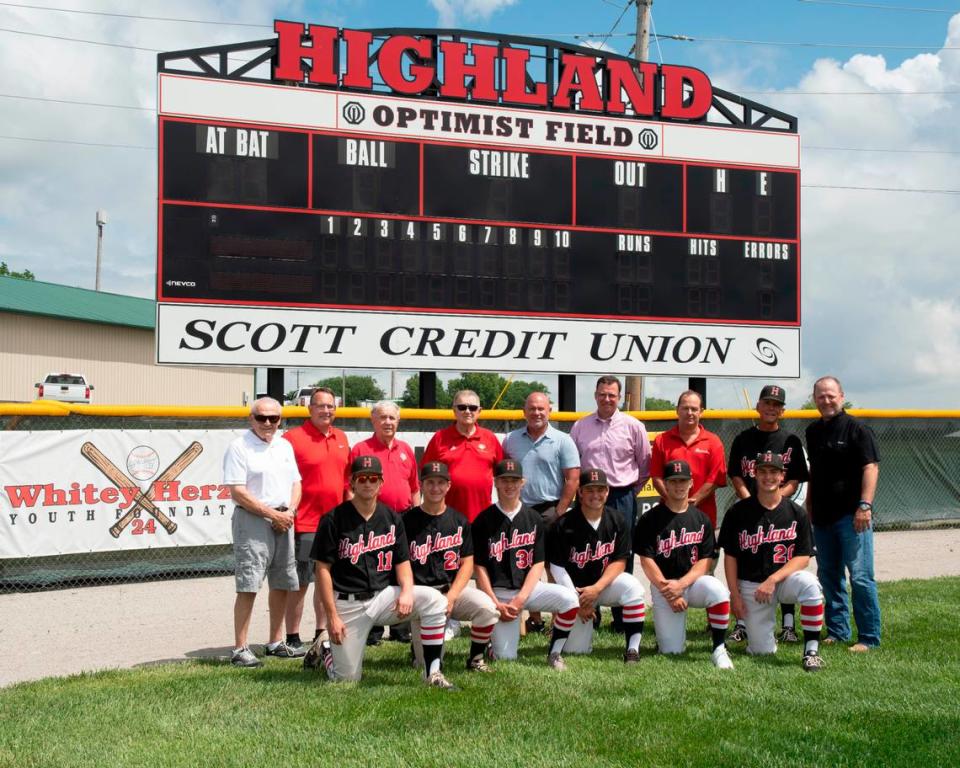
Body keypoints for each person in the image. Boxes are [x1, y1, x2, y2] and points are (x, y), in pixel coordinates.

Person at [306, 455, 456, 689]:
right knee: (346, 680)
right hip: (348, 603)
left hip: (383, 597)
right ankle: (325, 649)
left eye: (373, 478)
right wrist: (332, 617)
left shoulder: (391, 518)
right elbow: (322, 570)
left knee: (435, 600)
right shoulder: (334, 519)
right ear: (352, 483)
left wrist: (406, 591)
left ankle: (432, 673)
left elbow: (402, 562)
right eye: (362, 478)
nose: (368, 483)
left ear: (381, 483)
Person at [719, 452, 825, 672]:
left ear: (782, 476)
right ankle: (761, 636)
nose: (768, 477)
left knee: (810, 584)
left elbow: (803, 557)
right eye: (763, 471)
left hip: (784, 580)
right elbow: (730, 557)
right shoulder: (738, 512)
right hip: (752, 585)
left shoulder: (796, 512)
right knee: (761, 651)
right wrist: (735, 596)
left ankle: (811, 651)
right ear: (754, 474)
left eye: (773, 472)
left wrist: (773, 578)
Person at [472, 459, 580, 670]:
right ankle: (493, 646)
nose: (509, 485)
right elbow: (479, 568)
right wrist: (495, 603)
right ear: (496, 482)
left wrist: (521, 598)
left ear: (523, 482)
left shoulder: (533, 518)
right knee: (506, 658)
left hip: (529, 590)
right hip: (498, 594)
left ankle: (555, 653)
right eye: (504, 480)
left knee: (569, 599)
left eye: (514, 480)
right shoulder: (483, 520)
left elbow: (538, 563)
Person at [222, 397, 304, 667]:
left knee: (282, 582)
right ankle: (240, 648)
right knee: (249, 584)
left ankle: (274, 642)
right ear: (251, 419)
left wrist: (289, 511)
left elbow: (296, 483)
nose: (267, 423)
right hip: (254, 520)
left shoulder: (284, 445)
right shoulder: (239, 446)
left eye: (273, 418)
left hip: (284, 518)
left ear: (280, 420)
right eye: (261, 417)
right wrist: (273, 515)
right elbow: (238, 491)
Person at [726, 384, 809, 644]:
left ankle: (788, 624)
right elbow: (736, 476)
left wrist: (775, 501)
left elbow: (795, 478)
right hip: (749, 509)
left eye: (776, 404)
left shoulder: (790, 441)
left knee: (782, 559)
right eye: (767, 403)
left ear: (782, 410)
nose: (771, 408)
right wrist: (751, 502)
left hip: (780, 508)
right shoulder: (743, 439)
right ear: (758, 406)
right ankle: (742, 622)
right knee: (747, 561)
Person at [805, 376, 881, 652]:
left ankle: (869, 637)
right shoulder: (813, 431)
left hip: (852, 516)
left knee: (860, 577)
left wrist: (865, 506)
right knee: (829, 575)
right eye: (821, 396)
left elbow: (870, 467)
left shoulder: (857, 429)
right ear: (815, 399)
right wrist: (810, 503)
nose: (826, 400)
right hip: (823, 516)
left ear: (841, 396)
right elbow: (814, 471)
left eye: (831, 395)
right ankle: (837, 630)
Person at [635, 460, 734, 669]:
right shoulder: (650, 519)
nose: (678, 486)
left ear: (691, 483)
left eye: (683, 481)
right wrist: (669, 590)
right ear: (665, 485)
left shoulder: (701, 519)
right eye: (673, 481)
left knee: (718, 590)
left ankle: (719, 648)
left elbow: (705, 561)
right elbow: (646, 560)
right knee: (671, 650)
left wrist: (682, 586)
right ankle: (666, 639)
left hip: (692, 584)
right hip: (664, 586)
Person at [403, 461, 500, 672]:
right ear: (421, 485)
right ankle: (417, 647)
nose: (435, 488)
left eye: (441, 482)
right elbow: (401, 564)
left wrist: (452, 596)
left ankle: (475, 659)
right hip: (422, 596)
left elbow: (467, 563)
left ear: (449, 486)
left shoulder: (459, 520)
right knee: (425, 665)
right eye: (430, 482)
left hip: (451, 591)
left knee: (488, 609)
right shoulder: (407, 521)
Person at [570, 375, 650, 630]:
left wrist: (628, 492)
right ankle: (590, 614)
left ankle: (621, 617)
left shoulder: (633, 426)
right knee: (587, 554)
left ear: (620, 397)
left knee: (621, 554)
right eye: (603, 394)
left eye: (612, 395)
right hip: (587, 497)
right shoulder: (580, 427)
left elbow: (644, 465)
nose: (607, 399)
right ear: (595, 395)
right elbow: (574, 465)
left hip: (621, 495)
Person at [546, 468, 647, 663]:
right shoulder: (564, 524)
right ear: (580, 492)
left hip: (604, 586)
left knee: (633, 587)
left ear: (607, 492)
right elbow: (557, 568)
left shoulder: (617, 519)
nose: (596, 495)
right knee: (577, 651)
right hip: (575, 591)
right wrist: (578, 601)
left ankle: (632, 650)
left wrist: (596, 588)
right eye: (590, 490)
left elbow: (619, 561)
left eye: (600, 489)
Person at [503, 391, 580, 633]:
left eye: (541, 409)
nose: (537, 413)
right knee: (524, 564)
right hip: (520, 510)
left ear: (550, 411)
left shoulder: (562, 440)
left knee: (552, 565)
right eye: (532, 408)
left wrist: (559, 510)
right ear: (524, 411)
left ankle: (561, 616)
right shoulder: (511, 440)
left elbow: (573, 478)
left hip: (551, 509)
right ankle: (534, 618)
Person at [282, 387, 351, 653]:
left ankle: (321, 631)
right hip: (305, 523)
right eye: (320, 406)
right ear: (309, 409)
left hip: (334, 524)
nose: (326, 411)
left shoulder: (342, 437)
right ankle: (292, 635)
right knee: (300, 583)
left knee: (327, 583)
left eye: (330, 406)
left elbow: (347, 484)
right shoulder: (293, 438)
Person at [349, 400, 420, 645]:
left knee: (401, 572)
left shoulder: (405, 449)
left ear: (398, 421)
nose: (388, 422)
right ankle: (374, 629)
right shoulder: (361, 449)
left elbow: (414, 487)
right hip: (371, 519)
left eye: (392, 418)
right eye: (383, 418)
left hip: (402, 518)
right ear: (373, 420)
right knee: (375, 572)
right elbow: (350, 487)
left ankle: (400, 627)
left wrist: (417, 516)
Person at [422, 389, 503, 523]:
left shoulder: (490, 438)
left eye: (472, 407)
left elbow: (502, 476)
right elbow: (426, 476)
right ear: (454, 410)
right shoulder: (440, 438)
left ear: (479, 411)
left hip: (484, 517)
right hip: (446, 518)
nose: (467, 411)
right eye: (462, 407)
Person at [650, 390, 726, 528]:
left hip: (703, 513)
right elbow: (656, 476)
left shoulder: (713, 441)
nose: (689, 412)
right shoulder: (661, 440)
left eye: (694, 409)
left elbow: (715, 479)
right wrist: (673, 501)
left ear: (701, 412)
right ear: (677, 410)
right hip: (668, 514)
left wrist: (692, 501)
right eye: (685, 408)